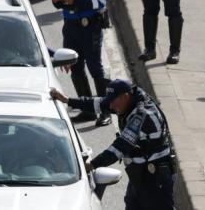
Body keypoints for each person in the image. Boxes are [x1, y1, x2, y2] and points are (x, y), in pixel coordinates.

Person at [50, 79, 176, 210]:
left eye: (113, 102)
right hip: (139, 175)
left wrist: (91, 165)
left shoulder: (142, 116)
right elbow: (97, 103)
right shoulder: (126, 102)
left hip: (155, 178)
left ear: (125, 97)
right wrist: (67, 100)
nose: (110, 107)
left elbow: (119, 148)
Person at [51, 0, 111, 127]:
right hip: (70, 27)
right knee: (74, 67)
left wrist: (77, 1)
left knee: (95, 67)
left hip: (89, 27)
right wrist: (57, 0)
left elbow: (102, 0)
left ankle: (104, 110)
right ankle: (88, 109)